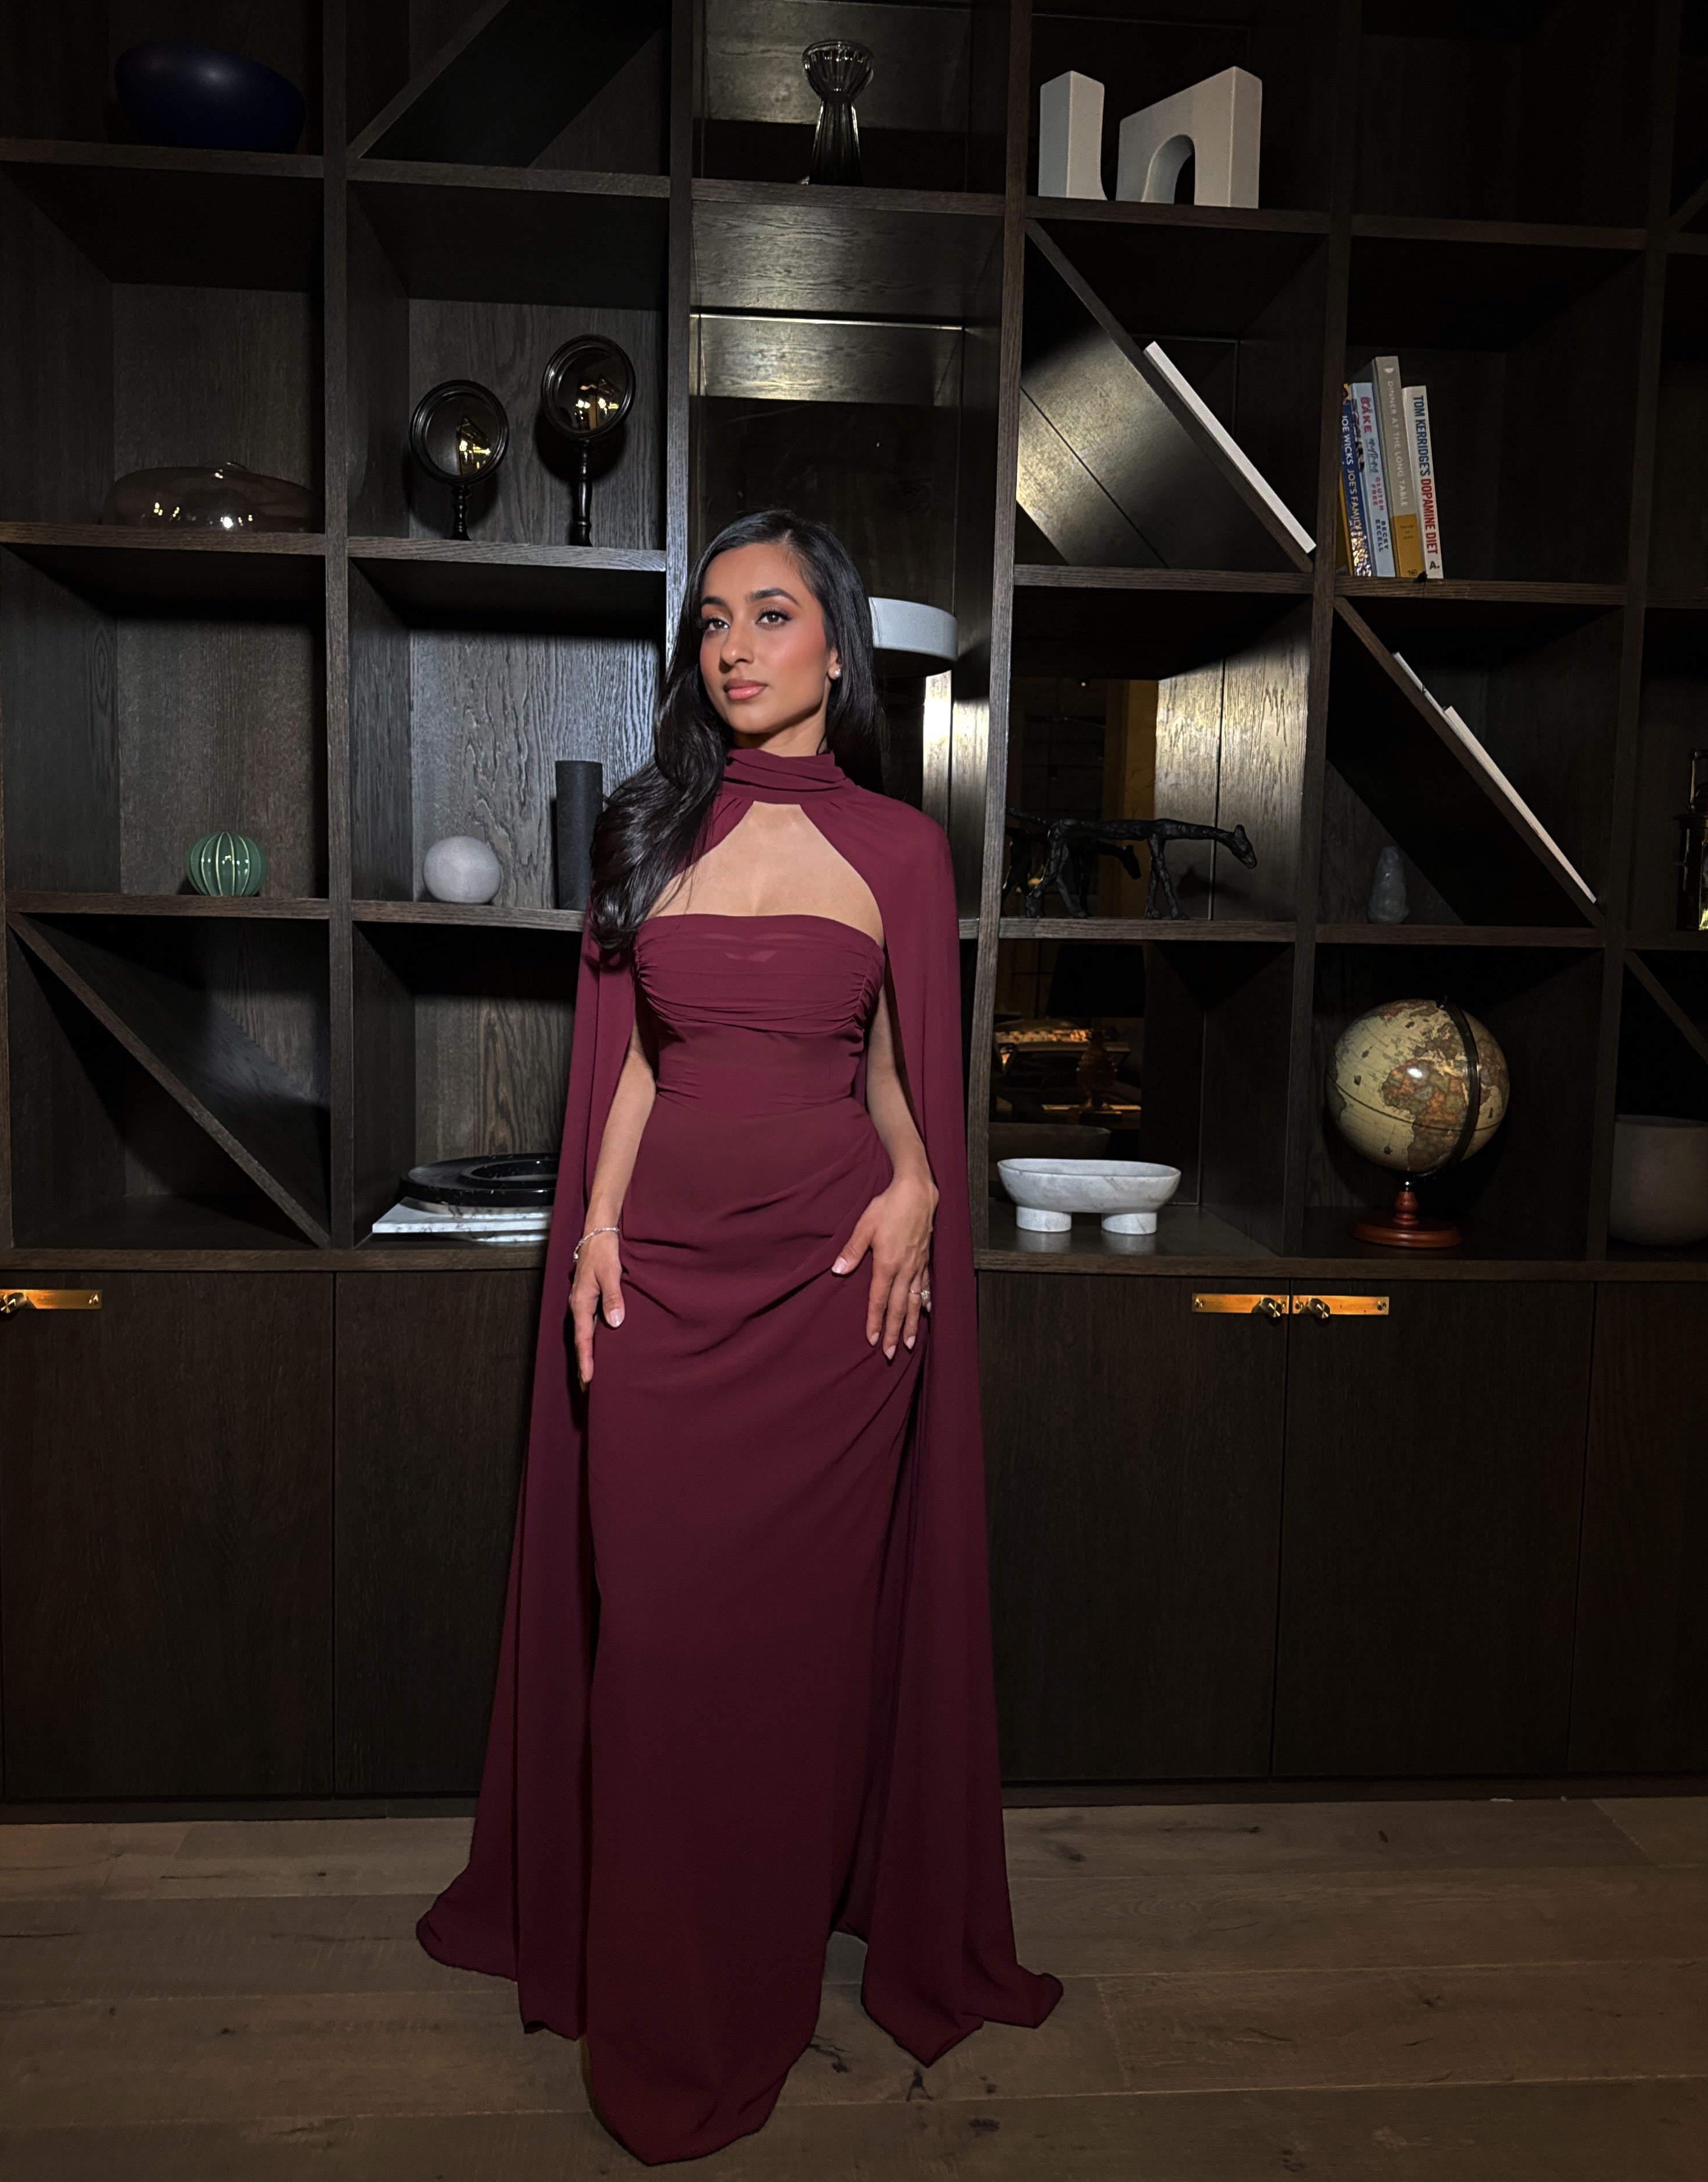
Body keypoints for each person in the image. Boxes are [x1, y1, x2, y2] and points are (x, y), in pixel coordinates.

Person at [418, 509, 1061, 2164]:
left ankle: (758, 1983)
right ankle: (657, 1978)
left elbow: (901, 1071)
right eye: (713, 620)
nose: (734, 646)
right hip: (661, 1290)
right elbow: (629, 1064)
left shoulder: (903, 851)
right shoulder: (655, 832)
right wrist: (596, 1233)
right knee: (658, 1646)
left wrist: (921, 1181)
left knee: (787, 1666)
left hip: (837, 1300)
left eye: (771, 615)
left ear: (837, 648)